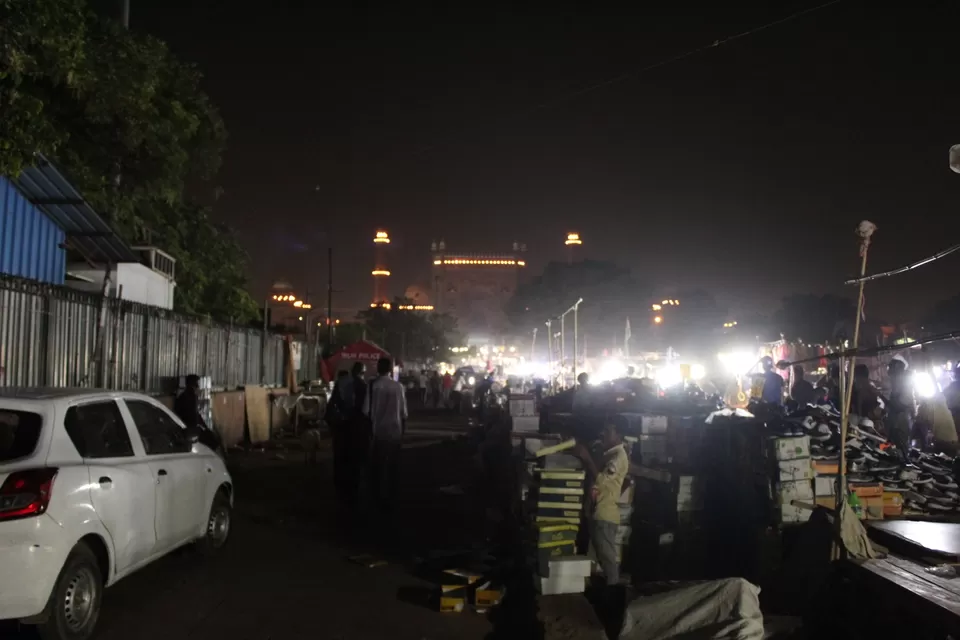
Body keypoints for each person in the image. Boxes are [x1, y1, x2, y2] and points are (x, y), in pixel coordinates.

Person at [572, 422, 629, 587]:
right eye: (603, 429)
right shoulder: (609, 454)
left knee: (608, 561)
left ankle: (614, 596)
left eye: (608, 431)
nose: (603, 434)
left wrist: (587, 458)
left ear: (618, 434)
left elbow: (602, 482)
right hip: (597, 513)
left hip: (605, 515)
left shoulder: (618, 457)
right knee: (593, 561)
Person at [363, 357, 408, 510]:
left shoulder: (373, 387)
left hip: (377, 432)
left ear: (378, 369)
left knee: (377, 466)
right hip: (394, 431)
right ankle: (391, 497)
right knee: (393, 466)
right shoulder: (399, 387)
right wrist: (403, 433)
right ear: (390, 370)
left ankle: (377, 497)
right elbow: (403, 414)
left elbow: (366, 412)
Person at [174, 374, 222, 454]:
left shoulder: (183, 396)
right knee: (212, 441)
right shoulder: (191, 396)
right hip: (191, 429)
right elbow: (194, 414)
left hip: (188, 427)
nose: (198, 385)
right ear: (193, 384)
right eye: (197, 383)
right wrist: (204, 427)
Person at [885, 355, 916, 461]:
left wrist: (880, 397)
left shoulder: (905, 383)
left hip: (901, 420)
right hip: (896, 420)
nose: (889, 370)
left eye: (892, 366)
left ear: (898, 367)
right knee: (893, 448)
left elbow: (899, 405)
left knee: (902, 448)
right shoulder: (897, 384)